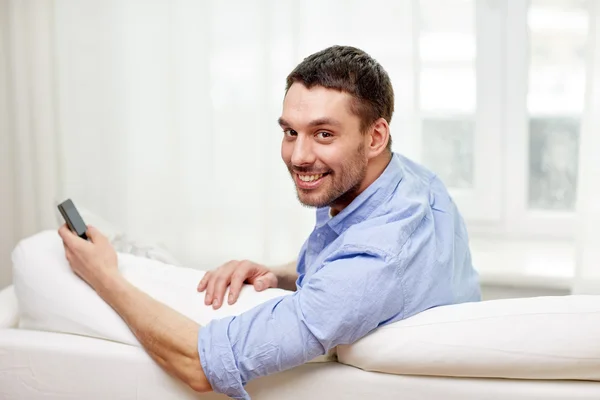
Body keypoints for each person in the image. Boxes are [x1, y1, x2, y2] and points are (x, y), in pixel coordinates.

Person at [58, 45, 481, 399]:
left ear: (375, 136)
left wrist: (104, 277)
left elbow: (200, 364)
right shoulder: (407, 181)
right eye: (290, 132)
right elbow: (353, 268)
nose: (298, 157)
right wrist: (281, 274)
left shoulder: (376, 260)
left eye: (324, 134)